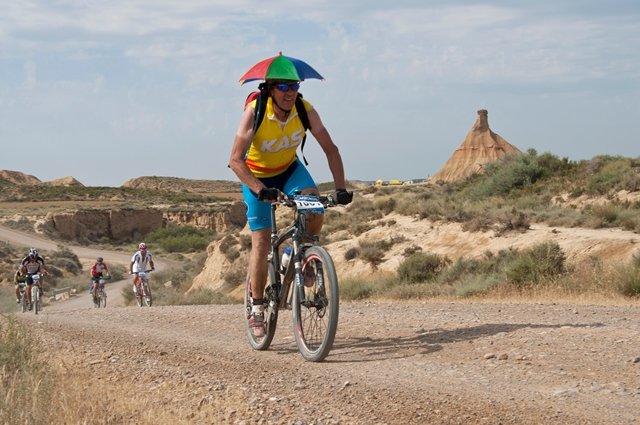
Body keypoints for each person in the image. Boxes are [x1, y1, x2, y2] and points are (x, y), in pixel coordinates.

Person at [228, 77, 352, 337]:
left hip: (289, 171)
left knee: (315, 208)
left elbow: (331, 149)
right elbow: (236, 160)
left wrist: (340, 188)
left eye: (294, 86)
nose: (290, 92)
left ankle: (298, 254)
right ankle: (257, 307)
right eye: (283, 87)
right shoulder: (255, 111)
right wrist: (260, 189)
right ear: (270, 89)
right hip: (256, 176)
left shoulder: (305, 110)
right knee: (262, 242)